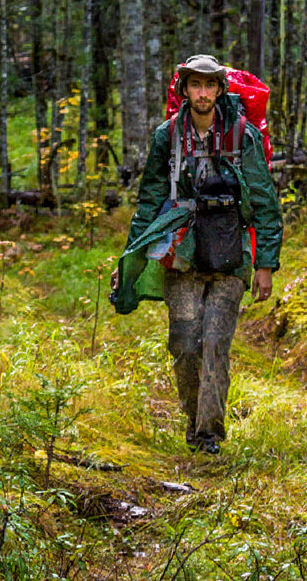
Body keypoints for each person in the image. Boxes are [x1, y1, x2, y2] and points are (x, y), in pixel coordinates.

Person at [112, 55, 283, 454]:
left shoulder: (243, 135)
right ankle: (194, 424)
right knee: (186, 343)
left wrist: (266, 265)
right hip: (181, 256)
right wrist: (130, 260)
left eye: (209, 85)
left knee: (215, 341)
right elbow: (149, 201)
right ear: (184, 90)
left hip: (230, 255)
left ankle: (209, 436)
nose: (202, 93)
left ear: (220, 89)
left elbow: (266, 203)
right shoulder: (166, 136)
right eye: (195, 85)